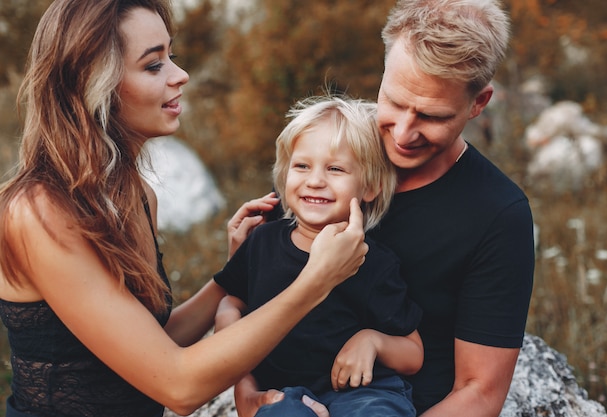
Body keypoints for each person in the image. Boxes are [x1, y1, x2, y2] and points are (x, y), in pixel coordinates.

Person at [0, 1, 368, 416]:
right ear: (93, 83)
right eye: (154, 65)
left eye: (170, 56)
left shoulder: (135, 195)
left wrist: (237, 271)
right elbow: (177, 384)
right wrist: (315, 280)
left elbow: (155, 342)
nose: (180, 75)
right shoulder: (39, 212)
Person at [231, 0, 535, 416]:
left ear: (478, 103)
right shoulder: (329, 152)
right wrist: (244, 393)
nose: (404, 134)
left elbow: (480, 392)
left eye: (432, 116)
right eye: (393, 101)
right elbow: (248, 298)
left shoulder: (499, 214)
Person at [214, 95, 424, 417]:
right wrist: (227, 319)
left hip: (362, 393)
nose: (315, 181)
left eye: (335, 168)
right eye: (301, 166)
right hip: (283, 393)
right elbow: (233, 298)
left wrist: (372, 341)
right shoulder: (263, 242)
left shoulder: (374, 261)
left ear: (370, 187)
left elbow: (413, 354)